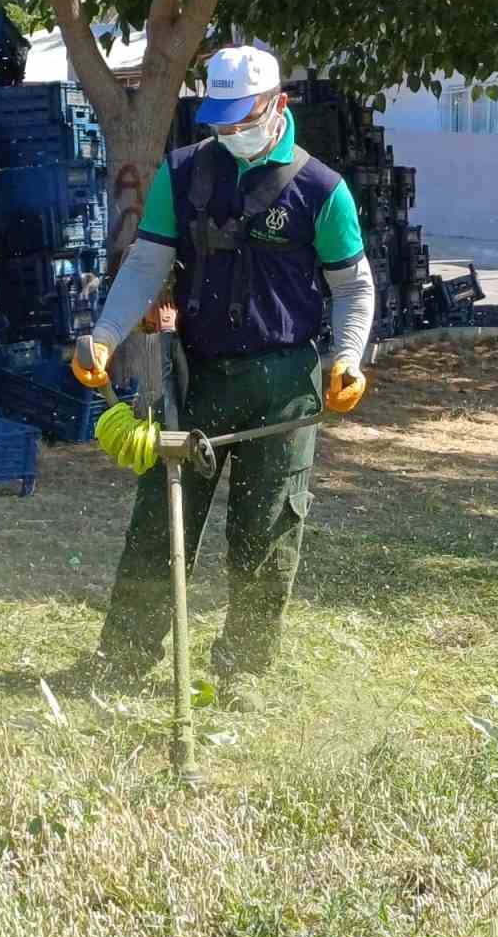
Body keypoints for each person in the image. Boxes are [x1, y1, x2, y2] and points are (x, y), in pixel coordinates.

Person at [73, 45, 377, 711]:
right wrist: (104, 335)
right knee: (160, 521)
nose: (230, 131)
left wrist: (347, 358)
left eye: (243, 118)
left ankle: (244, 669)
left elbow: (353, 287)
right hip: (197, 378)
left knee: (267, 530)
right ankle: (123, 658)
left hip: (286, 382)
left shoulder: (321, 191)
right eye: (221, 120)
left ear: (277, 107)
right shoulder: (182, 175)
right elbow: (148, 265)